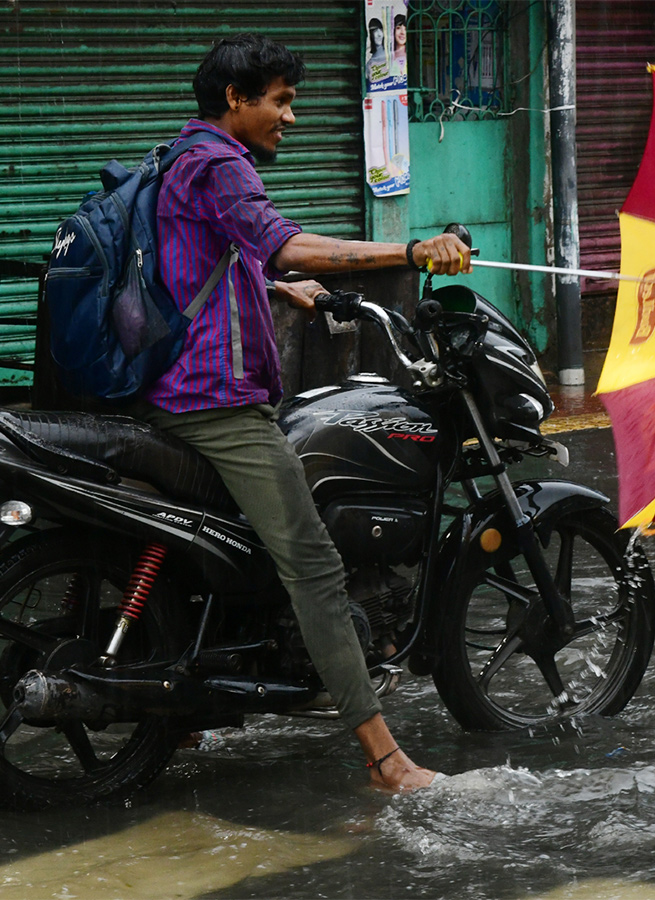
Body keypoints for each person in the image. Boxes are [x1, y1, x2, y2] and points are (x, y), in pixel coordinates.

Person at [139, 32, 470, 792]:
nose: (291, 117)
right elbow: (282, 244)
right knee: (315, 565)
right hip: (213, 401)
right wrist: (410, 253)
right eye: (281, 101)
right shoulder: (221, 164)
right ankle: (387, 758)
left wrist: (280, 288)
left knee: (229, 550)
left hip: (163, 389)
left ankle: (187, 715)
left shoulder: (177, 156)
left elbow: (213, 255)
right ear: (235, 99)